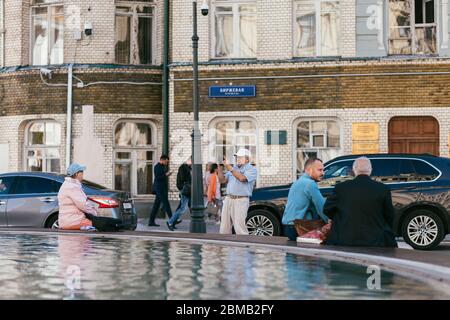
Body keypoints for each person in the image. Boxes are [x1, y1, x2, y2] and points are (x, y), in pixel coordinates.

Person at [323, 157, 398, 247]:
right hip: (376, 241)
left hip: (345, 239)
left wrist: (341, 218)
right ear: (370, 170)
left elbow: (327, 209)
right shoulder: (383, 189)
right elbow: (390, 216)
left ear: (354, 170)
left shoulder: (341, 188)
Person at [282, 158, 329, 241]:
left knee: (294, 252)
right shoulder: (310, 184)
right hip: (300, 227)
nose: (323, 173)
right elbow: (322, 208)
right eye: (319, 170)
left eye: (323, 170)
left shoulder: (298, 182)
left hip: (289, 226)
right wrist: (330, 221)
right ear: (310, 170)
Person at [218, 148, 257, 235]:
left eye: (240, 157)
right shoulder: (234, 168)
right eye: (237, 157)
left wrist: (230, 168)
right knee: (224, 227)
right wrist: (220, 169)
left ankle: (244, 247)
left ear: (247, 159)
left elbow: (242, 178)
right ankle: (225, 248)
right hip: (228, 199)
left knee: (240, 228)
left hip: (241, 200)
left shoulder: (252, 169)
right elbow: (223, 180)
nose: (237, 159)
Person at [58, 163, 98, 230]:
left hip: (70, 221)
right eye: (81, 172)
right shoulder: (72, 187)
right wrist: (95, 212)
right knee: (106, 224)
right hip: (74, 221)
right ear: (76, 174)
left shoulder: (69, 185)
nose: (83, 174)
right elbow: (83, 205)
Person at [166, 157, 192, 231]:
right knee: (183, 208)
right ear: (189, 160)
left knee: (182, 207)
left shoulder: (189, 168)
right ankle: (170, 222)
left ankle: (173, 222)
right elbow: (182, 179)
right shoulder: (183, 167)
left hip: (188, 190)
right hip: (185, 190)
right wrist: (182, 189)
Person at [149, 155, 173, 227]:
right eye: (166, 161)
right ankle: (172, 220)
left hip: (161, 188)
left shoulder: (162, 167)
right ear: (162, 160)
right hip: (159, 189)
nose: (166, 163)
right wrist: (166, 174)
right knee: (166, 204)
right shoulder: (157, 167)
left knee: (156, 206)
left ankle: (151, 221)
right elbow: (158, 178)